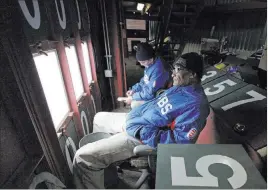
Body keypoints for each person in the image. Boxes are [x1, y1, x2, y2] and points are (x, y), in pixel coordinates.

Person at [73, 52, 210, 189]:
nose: (173, 73)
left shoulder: (196, 104)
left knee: (83, 158)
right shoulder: (180, 88)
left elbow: (179, 143)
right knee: (99, 118)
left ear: (193, 74)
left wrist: (141, 131)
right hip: (137, 122)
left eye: (178, 69)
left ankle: (99, 163)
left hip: (143, 137)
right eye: (173, 68)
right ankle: (108, 177)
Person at [125, 42, 170, 108]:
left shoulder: (158, 69)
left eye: (143, 62)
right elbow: (144, 80)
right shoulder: (149, 64)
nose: (141, 64)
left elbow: (150, 93)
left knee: (134, 104)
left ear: (150, 59)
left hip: (157, 96)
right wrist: (134, 90)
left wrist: (133, 97)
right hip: (150, 91)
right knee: (134, 98)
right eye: (140, 62)